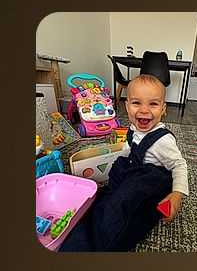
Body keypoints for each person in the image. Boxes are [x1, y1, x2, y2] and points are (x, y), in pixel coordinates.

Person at [60, 74, 188, 251]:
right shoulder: (133, 129)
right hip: (133, 170)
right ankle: (89, 217)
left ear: (163, 109)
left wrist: (177, 195)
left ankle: (91, 245)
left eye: (153, 104)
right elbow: (129, 150)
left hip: (152, 179)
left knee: (123, 203)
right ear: (127, 107)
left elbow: (179, 165)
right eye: (137, 103)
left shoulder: (163, 141)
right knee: (111, 184)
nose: (144, 110)